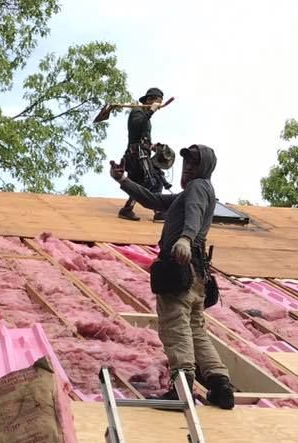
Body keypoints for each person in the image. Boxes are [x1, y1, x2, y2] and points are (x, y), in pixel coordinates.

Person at [110, 144, 235, 409]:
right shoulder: (188, 193)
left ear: (204, 168)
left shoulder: (198, 188)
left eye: (193, 164)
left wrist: (186, 239)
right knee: (195, 330)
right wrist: (123, 180)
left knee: (175, 327)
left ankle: (181, 389)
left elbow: (195, 214)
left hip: (181, 269)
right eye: (186, 164)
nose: (187, 169)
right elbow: (153, 200)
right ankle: (220, 384)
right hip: (197, 275)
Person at [118, 87, 170, 223]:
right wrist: (151, 111)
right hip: (136, 154)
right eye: (157, 104)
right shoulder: (137, 111)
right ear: (149, 100)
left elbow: (143, 137)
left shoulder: (146, 116)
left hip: (143, 152)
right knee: (147, 180)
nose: (158, 108)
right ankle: (131, 210)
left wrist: (152, 146)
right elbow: (137, 125)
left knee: (156, 179)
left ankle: (156, 211)